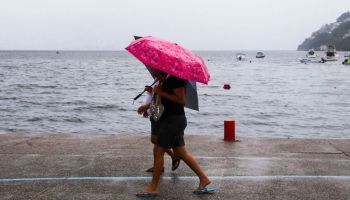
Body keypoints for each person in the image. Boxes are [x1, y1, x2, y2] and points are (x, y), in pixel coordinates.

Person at [136, 70, 212, 197]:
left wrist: (161, 92)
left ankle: (153, 188)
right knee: (181, 153)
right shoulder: (165, 79)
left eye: (155, 69)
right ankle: (204, 179)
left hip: (173, 121)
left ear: (162, 68)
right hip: (170, 120)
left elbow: (181, 100)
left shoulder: (176, 79)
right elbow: (165, 101)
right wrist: (148, 106)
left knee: (158, 151)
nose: (153, 71)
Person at [137, 75, 181, 173]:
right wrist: (147, 106)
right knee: (156, 141)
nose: (154, 71)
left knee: (156, 140)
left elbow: (161, 98)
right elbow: (156, 97)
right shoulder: (158, 79)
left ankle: (172, 158)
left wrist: (151, 93)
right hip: (154, 111)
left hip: (158, 113)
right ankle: (159, 165)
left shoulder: (166, 81)